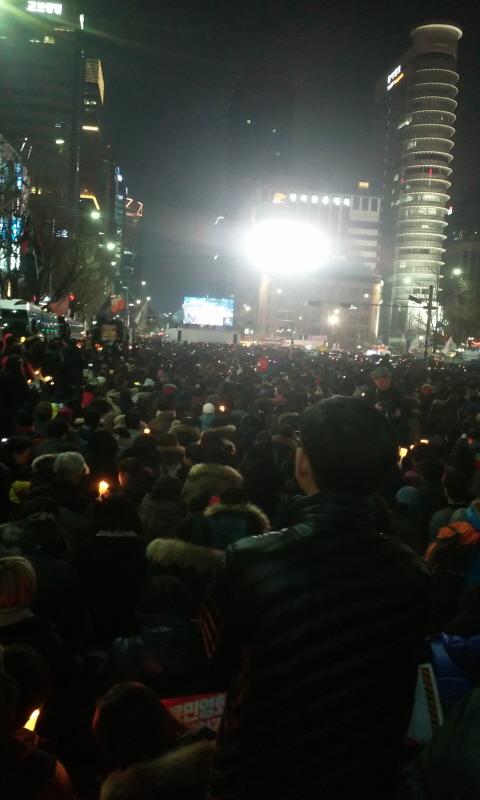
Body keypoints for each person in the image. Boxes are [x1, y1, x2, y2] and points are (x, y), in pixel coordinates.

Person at [202, 396, 431, 800]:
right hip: (364, 777)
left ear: (304, 463)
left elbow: (217, 659)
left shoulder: (249, 560)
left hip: (261, 771)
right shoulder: (412, 572)